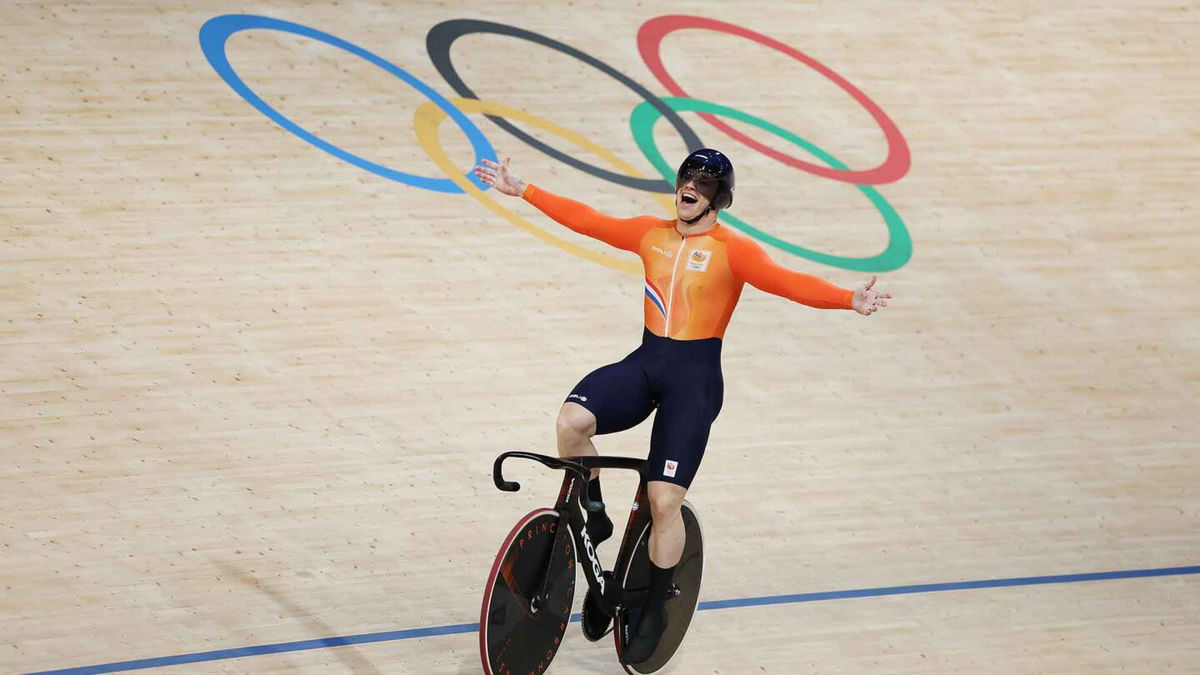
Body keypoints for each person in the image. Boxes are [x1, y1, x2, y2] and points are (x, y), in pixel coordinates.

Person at [473, 149, 891, 664]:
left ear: (720, 200)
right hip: (647, 363)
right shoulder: (652, 233)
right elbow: (592, 221)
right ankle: (596, 512)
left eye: (703, 184)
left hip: (693, 384)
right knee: (571, 421)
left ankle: (656, 604)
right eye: (685, 179)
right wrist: (526, 191)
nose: (688, 188)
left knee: (663, 502)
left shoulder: (733, 251)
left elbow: (788, 283)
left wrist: (847, 298)